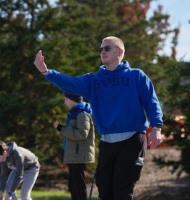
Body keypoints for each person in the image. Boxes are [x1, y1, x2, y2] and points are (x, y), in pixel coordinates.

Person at [34, 36, 163, 200]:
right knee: (105, 192)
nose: (103, 51)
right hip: (107, 142)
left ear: (120, 52)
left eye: (107, 48)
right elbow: (69, 82)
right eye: (101, 49)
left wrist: (157, 127)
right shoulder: (93, 80)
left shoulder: (136, 76)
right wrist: (46, 72)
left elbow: (152, 102)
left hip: (132, 140)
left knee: (122, 191)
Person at [53, 92, 95, 200]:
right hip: (73, 155)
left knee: (78, 185)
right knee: (72, 185)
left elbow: (82, 133)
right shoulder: (74, 113)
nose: (65, 102)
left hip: (78, 155)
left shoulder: (82, 114)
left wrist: (61, 128)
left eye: (66, 99)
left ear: (73, 100)